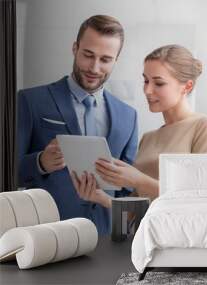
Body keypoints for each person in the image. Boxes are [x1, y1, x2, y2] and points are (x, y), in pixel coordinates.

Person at [17, 15, 138, 235]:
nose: (94, 67)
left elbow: (126, 192)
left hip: (106, 237)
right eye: (88, 55)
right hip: (47, 233)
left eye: (105, 59)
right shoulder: (30, 100)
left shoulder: (128, 116)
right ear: (75, 48)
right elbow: (8, 171)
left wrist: (123, 240)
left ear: (116, 60)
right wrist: (40, 162)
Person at [72, 44, 207, 202]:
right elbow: (136, 211)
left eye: (158, 83)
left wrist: (137, 180)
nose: (147, 90)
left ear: (187, 86)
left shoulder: (206, 126)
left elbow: (203, 198)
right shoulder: (148, 138)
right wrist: (100, 197)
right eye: (146, 81)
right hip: (144, 227)